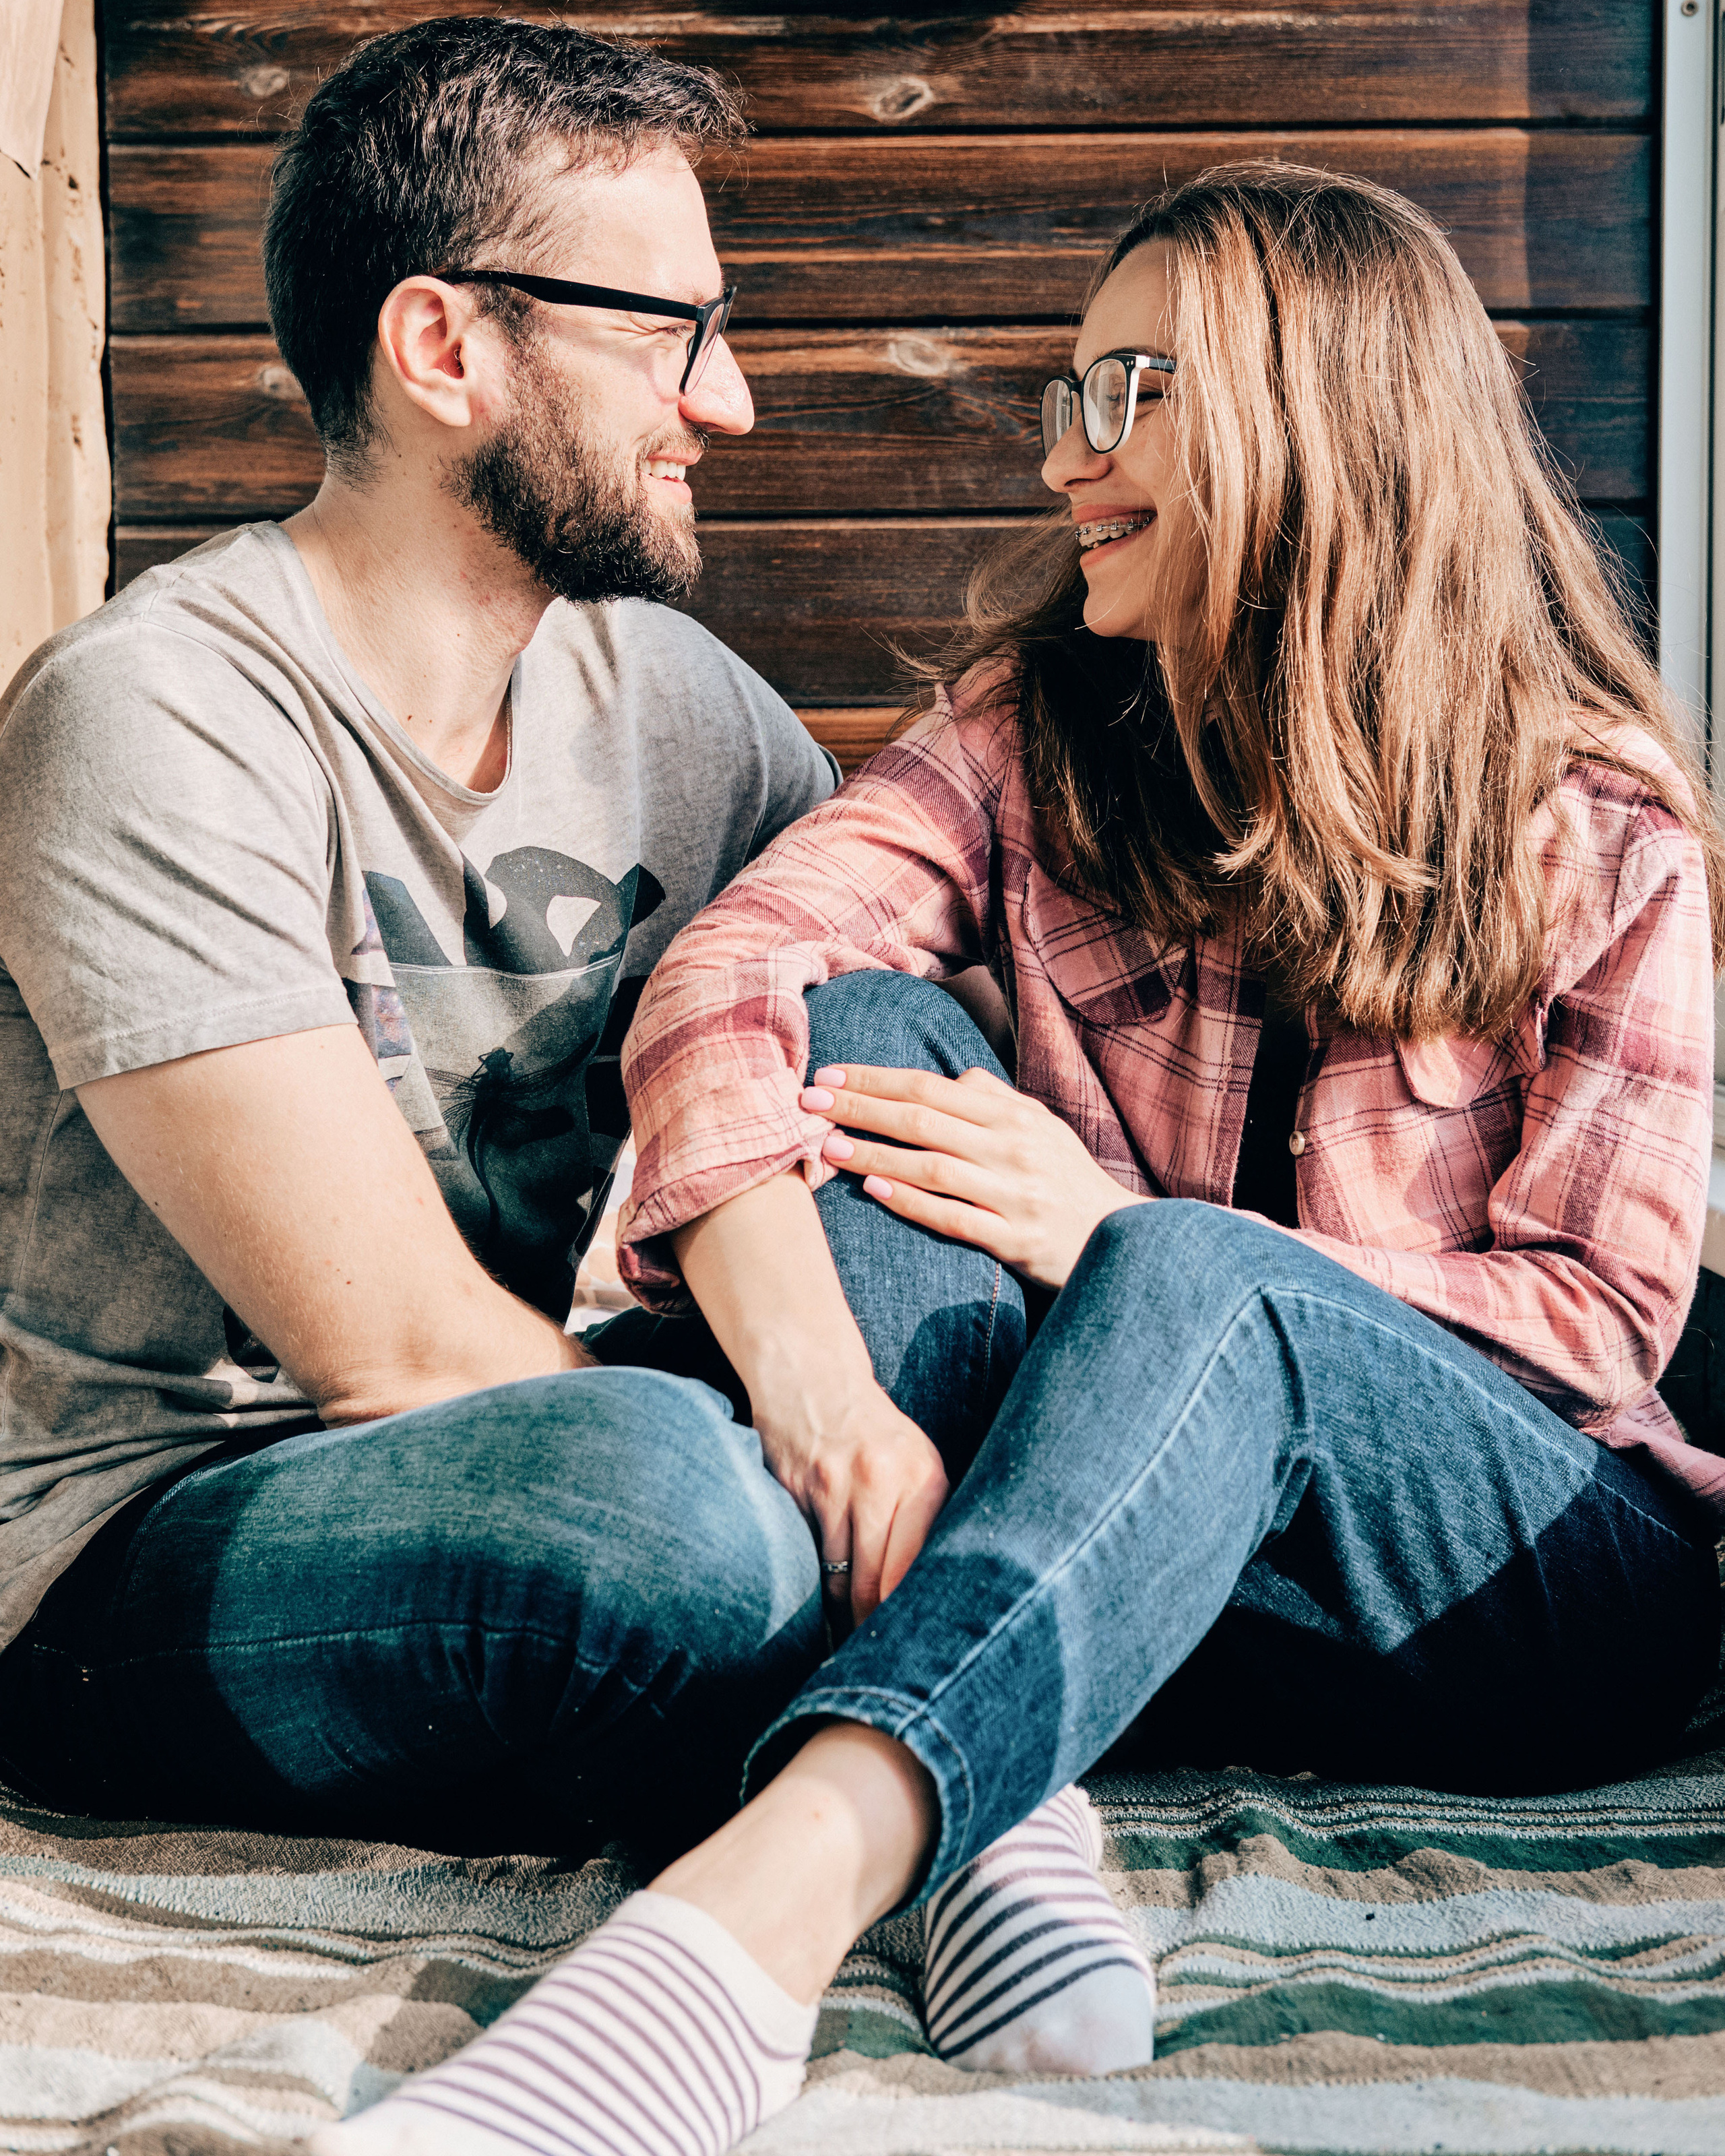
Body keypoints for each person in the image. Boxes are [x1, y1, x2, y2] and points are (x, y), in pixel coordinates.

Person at [316, 164, 1725, 2156]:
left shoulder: (1602, 829)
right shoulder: (1032, 740)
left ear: (1321, 420)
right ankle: (1004, 1806)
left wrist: (1125, 1234)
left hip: (1519, 1589)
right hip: (1161, 1576)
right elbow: (729, 970)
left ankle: (753, 1921)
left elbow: (1597, 1327)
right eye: (1071, 394)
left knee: (1193, 1271)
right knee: (862, 1030)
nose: (1069, 456)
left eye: (1133, 391)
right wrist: (825, 1397)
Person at [0, 16, 852, 1863]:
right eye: (672, 331)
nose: (727, 402)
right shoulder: (155, 712)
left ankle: (845, 1706)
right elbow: (391, 1354)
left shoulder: (679, 706)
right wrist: (809, 1439)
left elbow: (905, 1002)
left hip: (530, 1452)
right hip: (145, 1543)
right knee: (670, 1517)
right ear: (444, 347)